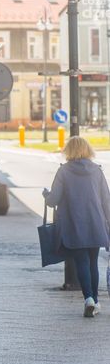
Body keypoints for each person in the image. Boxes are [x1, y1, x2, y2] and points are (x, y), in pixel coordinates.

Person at [43, 136, 110, 318]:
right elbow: (106, 201)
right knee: (93, 263)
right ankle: (95, 301)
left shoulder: (63, 171)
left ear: (69, 150)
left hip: (74, 224)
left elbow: (53, 200)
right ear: (87, 149)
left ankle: (88, 299)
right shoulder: (97, 171)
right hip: (96, 223)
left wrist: (46, 195)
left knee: (82, 261)